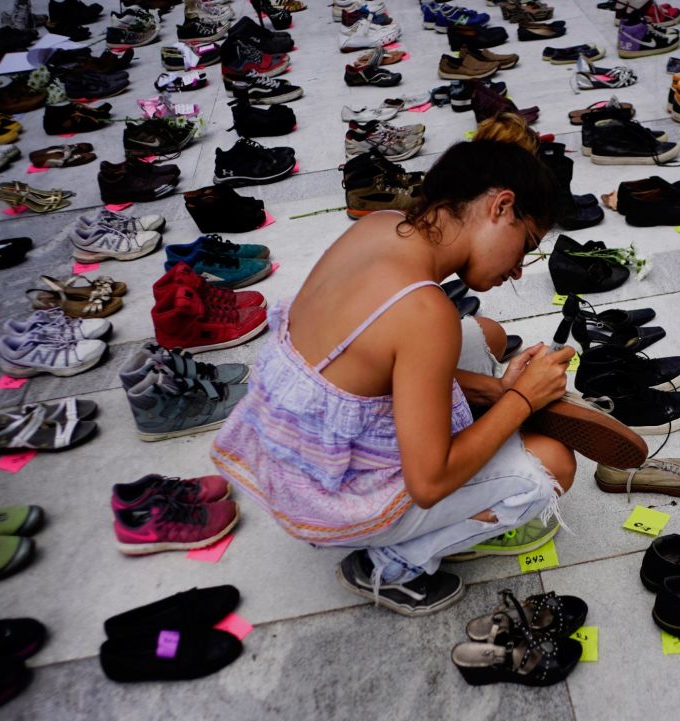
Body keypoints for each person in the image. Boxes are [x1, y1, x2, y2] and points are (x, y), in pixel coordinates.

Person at [211, 114, 581, 616]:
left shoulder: (382, 225)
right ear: (501, 206)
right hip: (326, 497)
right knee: (551, 464)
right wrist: (520, 401)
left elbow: (376, 356)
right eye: (527, 246)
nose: (518, 268)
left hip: (287, 452)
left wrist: (498, 392)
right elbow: (429, 483)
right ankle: (393, 564)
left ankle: (481, 418)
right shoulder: (424, 312)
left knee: (485, 335)